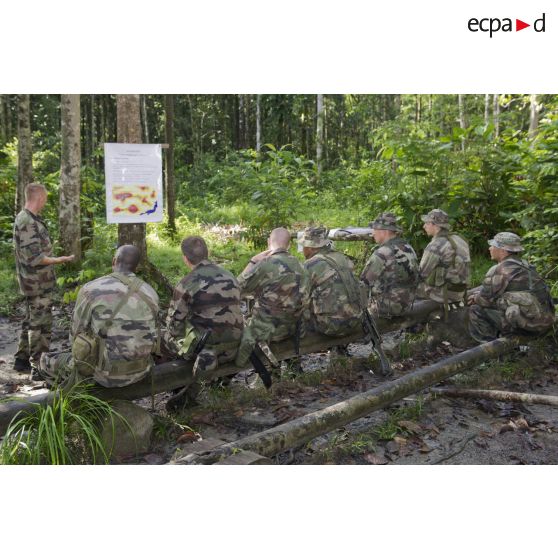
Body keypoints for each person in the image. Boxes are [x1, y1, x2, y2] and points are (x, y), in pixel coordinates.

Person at [39, 245, 159, 388]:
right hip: (142, 371)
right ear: (137, 267)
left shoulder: (91, 289)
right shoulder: (150, 292)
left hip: (103, 375)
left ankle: (69, 403)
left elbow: (75, 336)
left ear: (114, 261)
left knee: (45, 360)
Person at [13, 183, 74, 376]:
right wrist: (60, 260)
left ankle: (21, 360)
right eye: (45, 198)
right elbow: (35, 258)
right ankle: (38, 367)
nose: (45, 202)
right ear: (39, 198)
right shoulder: (27, 222)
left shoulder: (29, 219)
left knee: (30, 320)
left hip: (35, 281)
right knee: (40, 324)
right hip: (36, 283)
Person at [163, 236, 243, 376]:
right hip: (235, 346)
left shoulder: (186, 283)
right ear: (208, 253)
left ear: (185, 259)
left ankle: (179, 385)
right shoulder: (230, 276)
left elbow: (174, 326)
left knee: (165, 337)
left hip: (206, 351)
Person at [235, 227, 306, 367]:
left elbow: (235, 289)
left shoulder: (264, 265)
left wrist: (253, 261)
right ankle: (291, 368)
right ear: (289, 245)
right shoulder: (301, 266)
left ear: (269, 242)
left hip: (265, 332)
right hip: (292, 329)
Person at [468, 232, 555, 343]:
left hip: (530, 327)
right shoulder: (525, 265)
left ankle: (492, 346)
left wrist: (474, 298)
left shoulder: (500, 269)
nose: (490, 248)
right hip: (546, 321)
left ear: (502, 250)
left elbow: (484, 300)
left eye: (493, 246)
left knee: (475, 310)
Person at [301, 226, 362, 337]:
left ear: (309, 247)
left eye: (303, 246)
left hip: (330, 326)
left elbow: (301, 299)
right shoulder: (343, 258)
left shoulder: (310, 265)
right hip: (356, 320)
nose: (302, 250)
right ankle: (338, 350)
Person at [361, 212, 419, 317]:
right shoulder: (409, 247)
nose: (373, 233)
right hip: (409, 303)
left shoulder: (382, 253)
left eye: (375, 230)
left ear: (384, 232)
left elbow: (364, 284)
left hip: (387, 308)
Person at [417, 209, 470, 306]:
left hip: (443, 295)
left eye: (427, 223)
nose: (424, 226)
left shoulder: (435, 245)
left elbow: (421, 274)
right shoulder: (459, 239)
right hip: (460, 291)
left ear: (435, 225)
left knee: (406, 289)